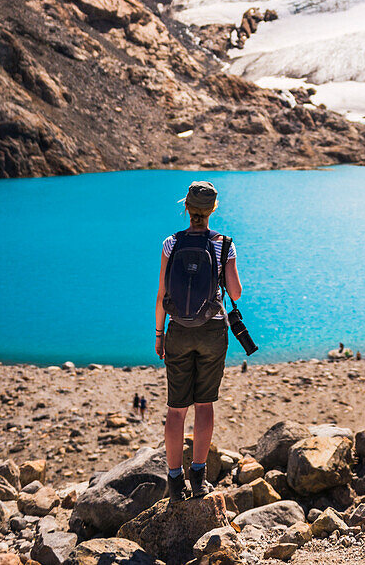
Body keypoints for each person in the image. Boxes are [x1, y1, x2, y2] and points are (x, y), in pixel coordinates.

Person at [155, 180, 242, 502]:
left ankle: (174, 481)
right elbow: (234, 293)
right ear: (212, 210)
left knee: (176, 411)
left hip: (178, 329)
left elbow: (162, 294)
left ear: (187, 208)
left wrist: (159, 334)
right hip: (212, 330)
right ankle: (199, 478)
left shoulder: (171, 243)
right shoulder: (224, 244)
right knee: (204, 405)